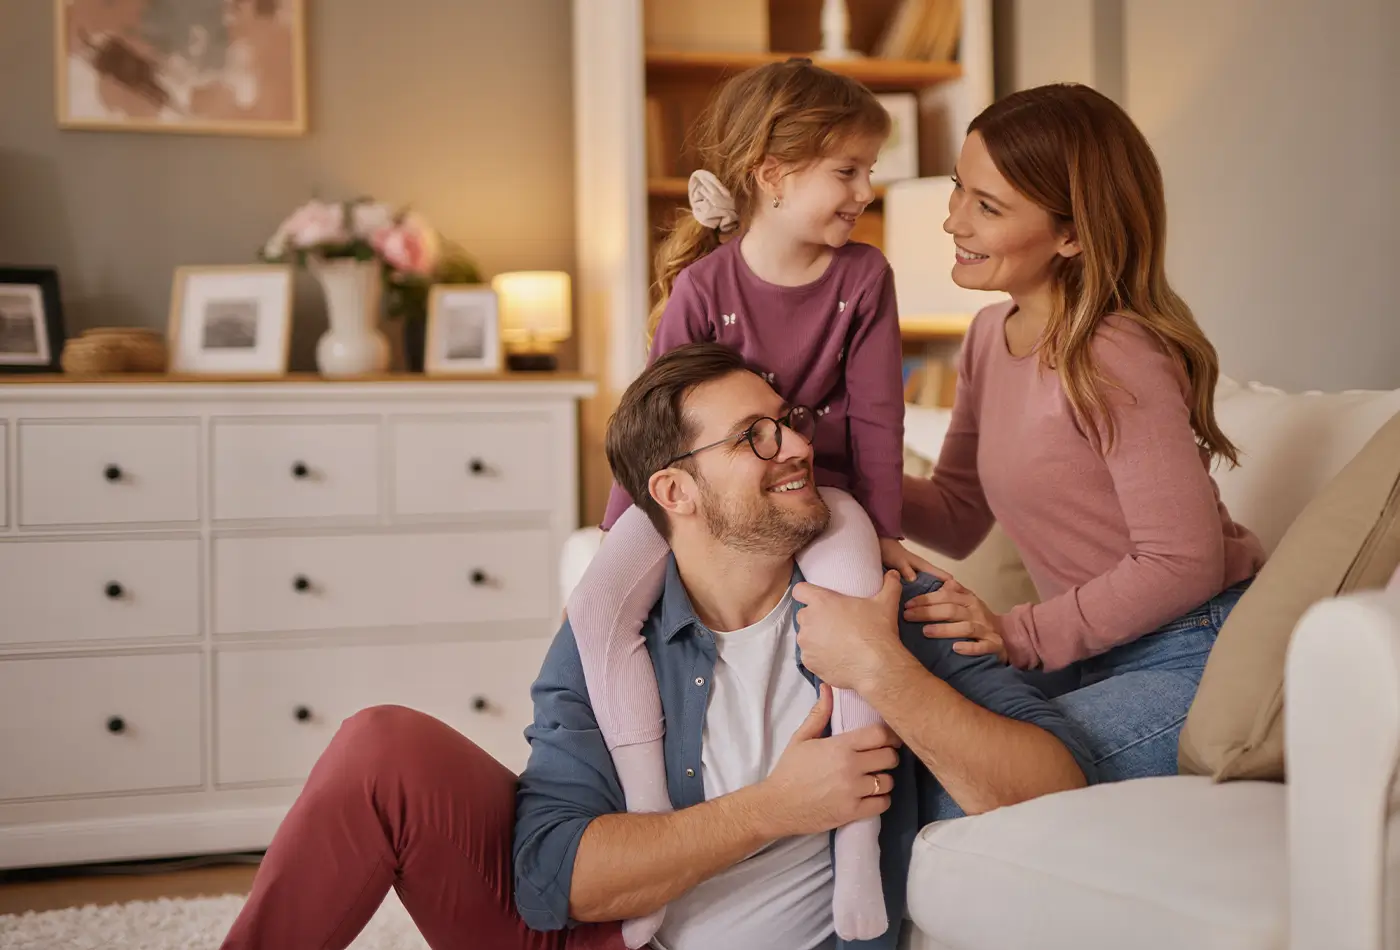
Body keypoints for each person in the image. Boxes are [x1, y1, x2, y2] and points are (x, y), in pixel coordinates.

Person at [220, 342, 1094, 950]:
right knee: (382, 745)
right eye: (754, 437)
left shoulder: (891, 604)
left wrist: (880, 671)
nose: (796, 446)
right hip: (613, 944)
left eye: (786, 420)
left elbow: (1057, 791)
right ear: (674, 490)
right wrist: (773, 809)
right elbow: (548, 877)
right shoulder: (610, 638)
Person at [566, 59, 930, 944]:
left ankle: (855, 856)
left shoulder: (864, 280)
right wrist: (629, 538)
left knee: (859, 616)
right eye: (846, 170)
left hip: (823, 498)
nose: (863, 190)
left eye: (867, 172)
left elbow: (880, 420)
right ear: (773, 174)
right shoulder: (703, 288)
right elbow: (652, 424)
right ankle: (648, 817)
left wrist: (881, 534)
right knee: (596, 597)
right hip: (710, 494)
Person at [900, 83, 1268, 781]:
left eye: (987, 206)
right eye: (958, 189)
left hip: (1195, 652)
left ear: (1071, 234)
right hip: (1095, 653)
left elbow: (1184, 562)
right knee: (904, 753)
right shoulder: (987, 337)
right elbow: (955, 515)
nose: (953, 223)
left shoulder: (1112, 351)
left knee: (959, 782)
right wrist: (836, 466)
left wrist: (1018, 634)